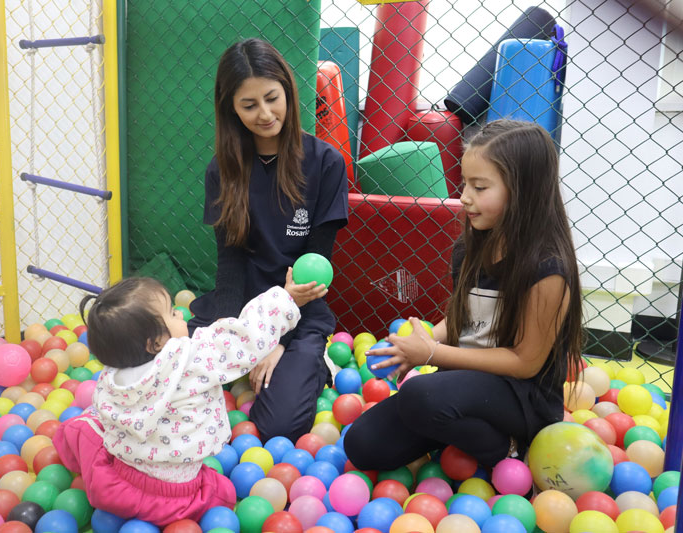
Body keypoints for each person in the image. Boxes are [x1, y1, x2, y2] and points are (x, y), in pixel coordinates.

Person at [344, 119, 583, 470]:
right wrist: (426, 339)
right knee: (362, 445)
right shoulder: (471, 247)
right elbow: (464, 316)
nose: (464, 197)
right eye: (464, 183)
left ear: (523, 191)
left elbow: (525, 362)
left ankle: (504, 449)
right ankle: (460, 428)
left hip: (521, 397)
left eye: (480, 187)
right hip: (467, 387)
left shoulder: (547, 268)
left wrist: (433, 353)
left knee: (419, 395)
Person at [52, 271, 325, 526]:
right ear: (154, 343)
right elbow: (243, 337)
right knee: (225, 494)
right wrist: (286, 298)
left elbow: (105, 417)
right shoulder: (190, 359)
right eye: (172, 313)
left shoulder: (112, 376)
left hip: (120, 483)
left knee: (83, 427)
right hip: (178, 493)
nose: (181, 315)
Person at [187, 38, 349, 442]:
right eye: (249, 105)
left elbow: (314, 276)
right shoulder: (222, 170)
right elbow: (230, 266)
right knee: (162, 371)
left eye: (272, 98)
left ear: (289, 93)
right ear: (231, 109)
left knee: (278, 425)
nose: (265, 114)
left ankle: (315, 362)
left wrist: (276, 339)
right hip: (240, 307)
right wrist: (239, 338)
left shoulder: (326, 163)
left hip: (298, 312)